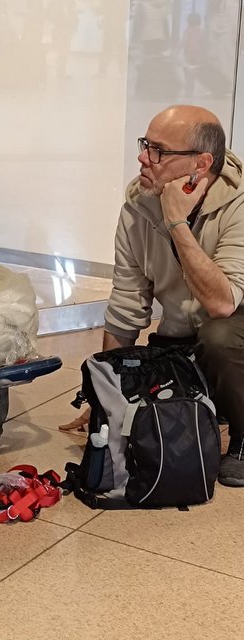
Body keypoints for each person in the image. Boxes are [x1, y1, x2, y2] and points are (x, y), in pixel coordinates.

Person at [61, 104, 244, 487]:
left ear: (201, 163)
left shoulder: (239, 204)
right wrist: (105, 397)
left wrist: (177, 222)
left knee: (220, 337)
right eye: (145, 144)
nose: (143, 158)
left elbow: (222, 302)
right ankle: (218, 400)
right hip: (182, 337)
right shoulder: (139, 205)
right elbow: (126, 305)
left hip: (232, 330)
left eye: (158, 151)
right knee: (146, 374)